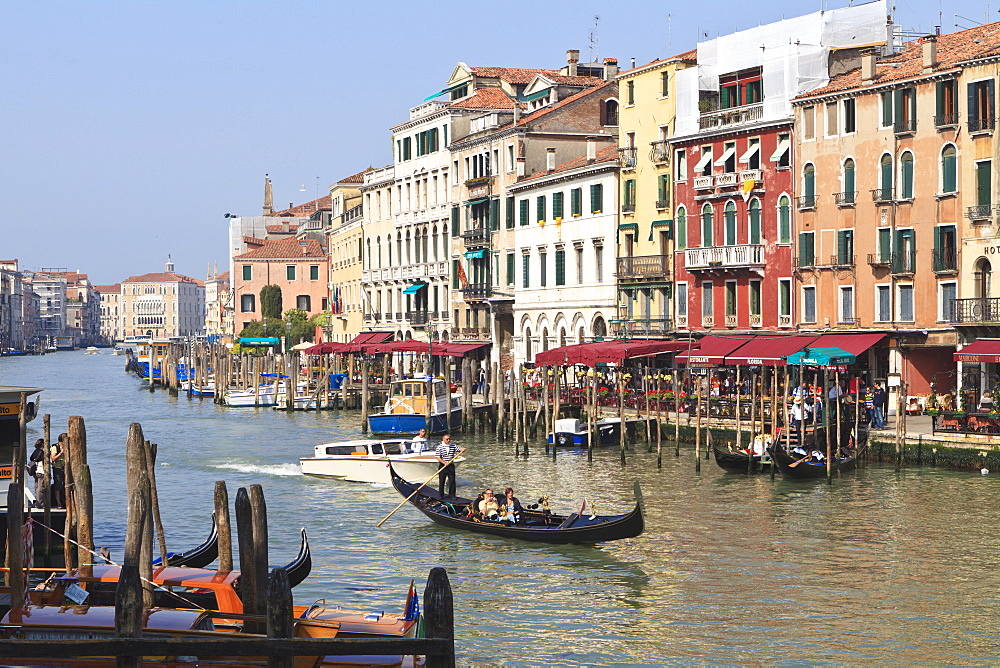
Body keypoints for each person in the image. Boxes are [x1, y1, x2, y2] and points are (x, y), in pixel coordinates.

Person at [434, 433, 465, 499]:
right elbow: (438, 457)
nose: (448, 440)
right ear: (443, 439)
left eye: (449, 439)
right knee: (442, 481)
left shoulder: (453, 446)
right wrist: (444, 462)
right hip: (443, 466)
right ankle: (441, 496)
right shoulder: (439, 447)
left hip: (450, 466)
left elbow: (459, 449)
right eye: (447, 439)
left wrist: (462, 449)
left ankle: (452, 495)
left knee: (452, 481)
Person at [50, 433, 67, 508]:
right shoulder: (55, 447)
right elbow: (53, 458)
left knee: (66, 485)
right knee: (58, 486)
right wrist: (61, 453)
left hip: (65, 468)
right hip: (58, 468)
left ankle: (66, 502)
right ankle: (58, 503)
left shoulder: (66, 447)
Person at [28, 439, 45, 507]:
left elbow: (31, 458)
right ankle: (40, 503)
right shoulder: (42, 452)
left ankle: (37, 502)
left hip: (35, 471)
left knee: (36, 487)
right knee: (40, 488)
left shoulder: (35, 451)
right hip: (41, 471)